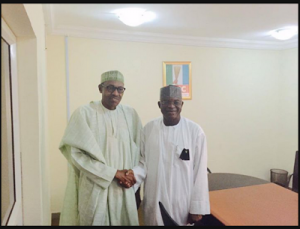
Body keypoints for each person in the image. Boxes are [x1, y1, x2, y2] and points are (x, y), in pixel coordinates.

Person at [58, 70, 142, 226]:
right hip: (95, 186)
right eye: (110, 87)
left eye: (120, 89)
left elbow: (139, 150)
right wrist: (112, 173)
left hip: (122, 188)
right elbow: (75, 154)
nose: (115, 93)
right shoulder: (84, 113)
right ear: (100, 88)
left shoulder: (130, 114)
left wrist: (132, 174)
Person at [128, 85, 210, 225]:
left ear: (182, 104)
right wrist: (131, 176)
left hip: (182, 203)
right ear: (159, 104)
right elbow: (143, 163)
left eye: (176, 102)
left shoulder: (195, 131)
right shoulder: (149, 129)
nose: (171, 106)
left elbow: (200, 172)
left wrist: (197, 207)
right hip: (154, 198)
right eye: (166, 101)